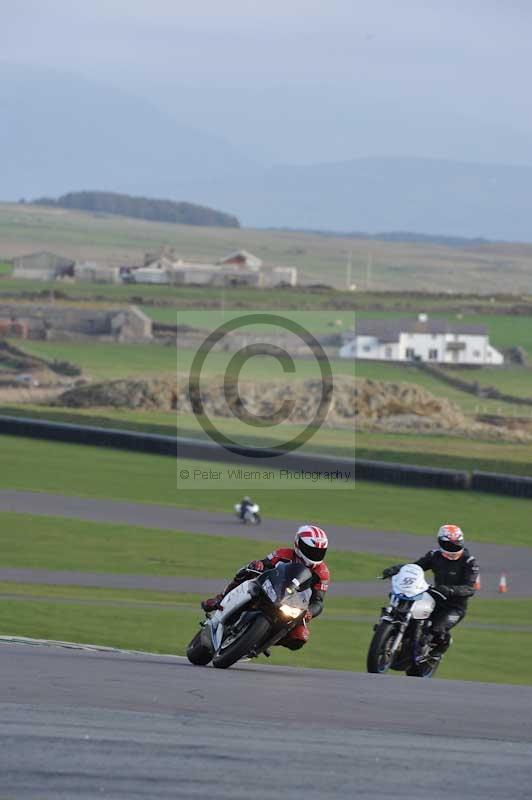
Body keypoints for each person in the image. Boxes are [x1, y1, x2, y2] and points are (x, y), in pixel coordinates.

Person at [201, 525, 329, 651]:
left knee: (300, 636)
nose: (315, 555)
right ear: (298, 544)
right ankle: (220, 599)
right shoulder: (283, 553)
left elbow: (318, 601)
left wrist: (310, 612)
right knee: (247, 571)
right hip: (272, 589)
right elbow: (264, 564)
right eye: (311, 550)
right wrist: (259, 565)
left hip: (293, 604)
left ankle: (261, 641)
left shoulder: (322, 573)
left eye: (319, 552)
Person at [382, 524, 479, 657]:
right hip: (435, 597)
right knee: (407, 611)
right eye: (449, 544)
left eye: (457, 543)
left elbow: (470, 589)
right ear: (440, 542)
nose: (453, 547)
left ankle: (437, 652)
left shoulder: (469, 562)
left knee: (436, 629)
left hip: (454, 607)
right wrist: (396, 569)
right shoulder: (434, 555)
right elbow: (415, 567)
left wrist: (450, 590)